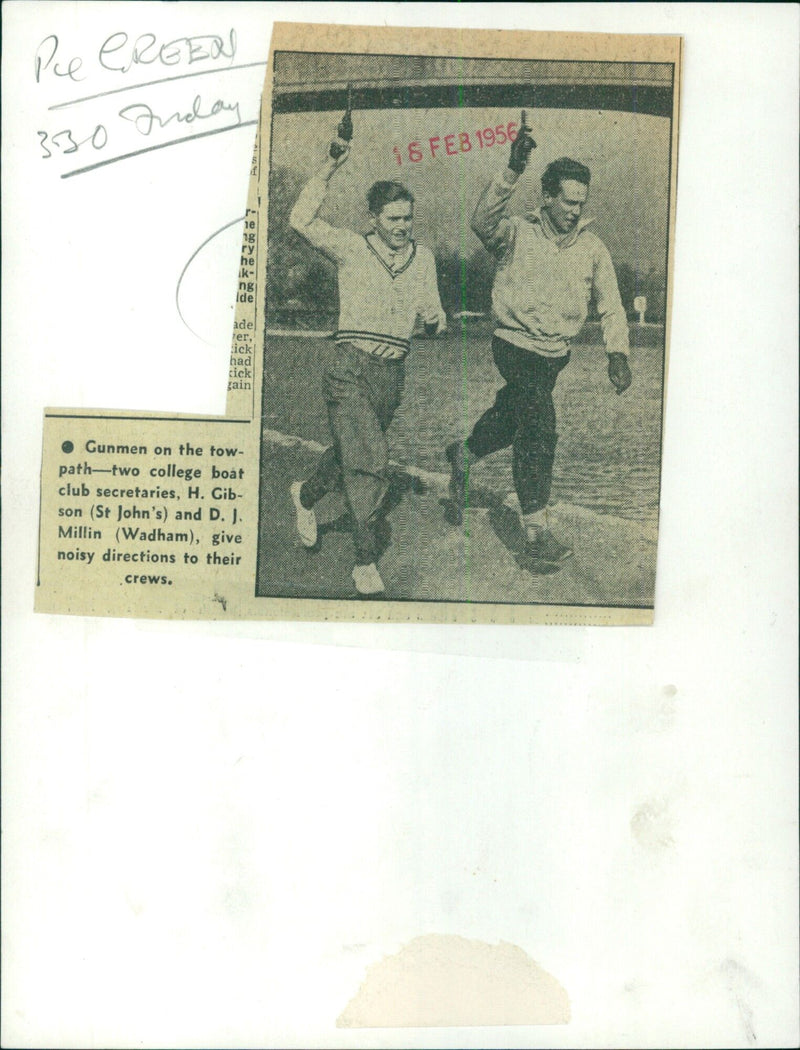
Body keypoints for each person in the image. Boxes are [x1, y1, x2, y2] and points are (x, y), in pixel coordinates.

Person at [445, 114, 632, 564]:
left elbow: (611, 305)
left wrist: (618, 353)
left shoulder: (593, 248)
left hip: (554, 356)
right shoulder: (516, 233)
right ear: (547, 198)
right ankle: (534, 536)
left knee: (514, 417)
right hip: (513, 345)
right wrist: (511, 170)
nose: (575, 210)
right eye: (567, 201)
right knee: (541, 428)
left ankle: (464, 455)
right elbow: (481, 223)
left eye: (580, 203)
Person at [288, 118, 446, 596]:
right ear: (374, 217)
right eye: (394, 218)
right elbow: (300, 220)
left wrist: (437, 321)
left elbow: (432, 307)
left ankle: (306, 494)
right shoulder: (352, 249)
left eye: (408, 218)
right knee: (371, 461)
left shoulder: (424, 256)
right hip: (349, 369)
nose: (403, 227)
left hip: (391, 376)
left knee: (351, 455)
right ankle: (364, 561)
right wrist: (330, 167)